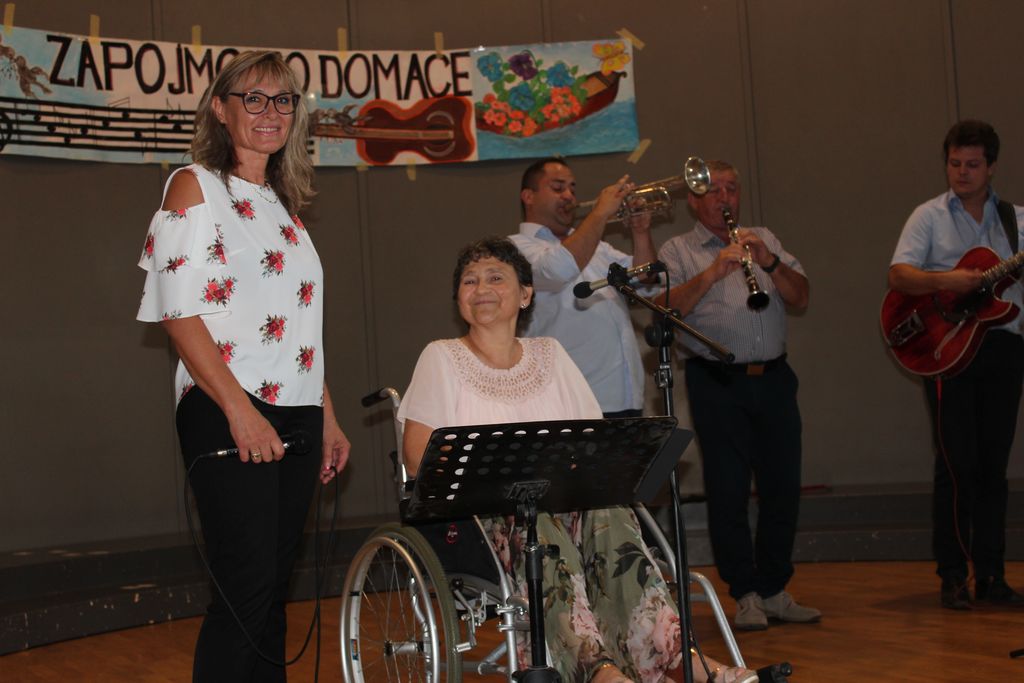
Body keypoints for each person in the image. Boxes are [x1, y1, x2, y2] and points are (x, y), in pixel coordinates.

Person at [398, 237, 757, 683]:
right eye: (469, 281)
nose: (481, 288)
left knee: (611, 513)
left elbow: (594, 449)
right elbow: (420, 460)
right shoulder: (441, 356)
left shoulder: (550, 354)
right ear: (458, 297)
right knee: (539, 524)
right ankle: (595, 669)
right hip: (482, 522)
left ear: (525, 294)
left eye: (495, 277)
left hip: (566, 507)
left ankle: (676, 657)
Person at [136, 51, 351, 682]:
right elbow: (179, 315)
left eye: (282, 100)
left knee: (271, 597)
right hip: (228, 407)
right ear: (220, 110)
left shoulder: (285, 208)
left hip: (298, 411)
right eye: (252, 98)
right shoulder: (194, 185)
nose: (269, 112)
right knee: (244, 593)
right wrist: (240, 411)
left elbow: (298, 330)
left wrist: (327, 417)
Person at [657, 160, 818, 632]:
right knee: (728, 489)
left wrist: (769, 262)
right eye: (713, 190)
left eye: (731, 189)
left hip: (774, 377)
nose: (724, 198)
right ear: (693, 200)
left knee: (782, 486)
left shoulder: (764, 237)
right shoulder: (678, 249)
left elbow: (801, 296)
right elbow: (665, 309)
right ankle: (745, 593)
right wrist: (712, 272)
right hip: (716, 380)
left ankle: (774, 588)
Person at [888, 119, 1024, 610]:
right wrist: (951, 280)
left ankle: (991, 575)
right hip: (947, 348)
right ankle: (952, 575)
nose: (962, 172)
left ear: (992, 167)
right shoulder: (927, 216)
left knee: (993, 466)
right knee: (955, 463)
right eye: (954, 163)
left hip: (1004, 348)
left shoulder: (1016, 221)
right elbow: (900, 275)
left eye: (972, 165)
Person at [510, 158, 656, 418]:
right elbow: (558, 270)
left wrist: (641, 232)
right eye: (558, 188)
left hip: (625, 395)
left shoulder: (598, 246)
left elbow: (645, 277)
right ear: (528, 197)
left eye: (572, 189)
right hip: (572, 400)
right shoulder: (515, 248)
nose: (569, 196)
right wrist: (599, 214)